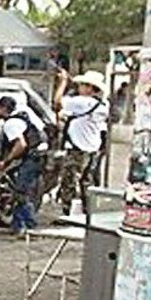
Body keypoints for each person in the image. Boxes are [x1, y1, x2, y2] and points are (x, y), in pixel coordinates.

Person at [52, 67, 109, 213]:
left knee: (69, 180)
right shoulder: (102, 104)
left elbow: (57, 102)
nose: (79, 87)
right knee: (87, 182)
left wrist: (63, 82)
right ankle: (88, 210)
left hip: (78, 148)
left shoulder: (82, 102)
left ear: (90, 88)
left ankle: (66, 210)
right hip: (92, 148)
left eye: (83, 85)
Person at [0, 94, 47, 233]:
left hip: (32, 158)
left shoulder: (11, 124)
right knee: (23, 191)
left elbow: (21, 145)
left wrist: (6, 162)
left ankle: (29, 224)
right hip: (39, 155)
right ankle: (18, 225)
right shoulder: (23, 116)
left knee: (21, 192)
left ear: (3, 108)